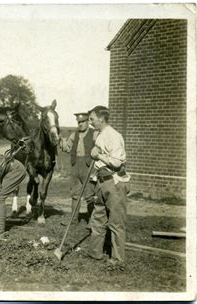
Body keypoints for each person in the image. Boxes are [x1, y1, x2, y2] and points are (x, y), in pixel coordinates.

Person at [86, 105, 130, 270]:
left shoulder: (113, 136)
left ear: (101, 118)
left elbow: (117, 162)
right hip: (101, 181)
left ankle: (117, 260)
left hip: (114, 182)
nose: (90, 122)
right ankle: (95, 252)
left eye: (92, 119)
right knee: (97, 218)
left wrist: (98, 155)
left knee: (116, 221)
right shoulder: (100, 135)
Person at [59, 112, 96, 226]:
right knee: (75, 194)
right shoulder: (74, 134)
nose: (80, 124)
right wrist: (61, 140)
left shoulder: (94, 134)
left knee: (89, 195)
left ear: (88, 122)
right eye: (78, 122)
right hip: (75, 166)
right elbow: (67, 148)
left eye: (82, 122)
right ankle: (74, 219)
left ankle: (92, 221)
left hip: (88, 166)